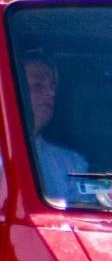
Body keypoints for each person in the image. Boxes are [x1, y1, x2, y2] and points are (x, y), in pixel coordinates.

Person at [23, 55, 89, 201]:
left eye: (53, 86)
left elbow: (81, 218)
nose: (51, 94)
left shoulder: (72, 164)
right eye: (37, 86)